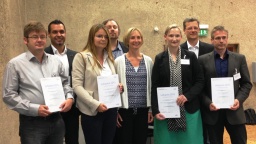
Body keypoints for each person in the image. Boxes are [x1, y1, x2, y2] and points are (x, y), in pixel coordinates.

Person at [2, 21, 74, 144]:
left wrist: (69, 98)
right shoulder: (15, 65)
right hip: (32, 124)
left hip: (56, 120)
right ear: (25, 40)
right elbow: (9, 96)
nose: (39, 40)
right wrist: (35, 109)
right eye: (35, 37)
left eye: (42, 36)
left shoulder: (56, 61)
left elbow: (65, 84)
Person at [198, 25, 252, 144]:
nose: (221, 40)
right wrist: (208, 103)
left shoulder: (239, 58)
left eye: (224, 37)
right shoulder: (202, 60)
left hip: (235, 112)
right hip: (212, 113)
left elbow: (246, 84)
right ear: (212, 40)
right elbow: (199, 87)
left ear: (227, 39)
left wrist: (239, 100)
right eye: (217, 38)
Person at [151, 24, 204, 144]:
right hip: (166, 110)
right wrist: (155, 110)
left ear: (181, 37)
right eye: (171, 36)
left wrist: (187, 96)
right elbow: (155, 86)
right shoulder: (160, 58)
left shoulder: (190, 56)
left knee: (190, 141)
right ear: (165, 37)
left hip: (189, 109)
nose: (174, 39)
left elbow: (200, 81)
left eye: (177, 36)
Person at [72, 24, 123, 144]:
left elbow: (112, 80)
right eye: (99, 36)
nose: (103, 39)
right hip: (92, 111)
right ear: (92, 37)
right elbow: (77, 86)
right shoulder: (81, 57)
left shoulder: (109, 57)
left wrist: (119, 86)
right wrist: (95, 104)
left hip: (110, 110)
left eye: (105, 37)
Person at [114, 27, 154, 144]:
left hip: (143, 111)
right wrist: (116, 111)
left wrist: (151, 109)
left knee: (140, 141)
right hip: (124, 111)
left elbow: (151, 86)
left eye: (138, 37)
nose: (136, 40)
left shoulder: (148, 61)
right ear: (127, 40)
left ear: (141, 40)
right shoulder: (119, 61)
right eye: (132, 38)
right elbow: (114, 87)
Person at [44, 19, 80, 144]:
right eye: (54, 32)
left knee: (72, 139)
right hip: (50, 108)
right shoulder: (43, 54)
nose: (59, 35)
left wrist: (72, 99)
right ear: (49, 34)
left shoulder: (75, 56)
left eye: (61, 31)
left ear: (65, 33)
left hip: (71, 107)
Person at [180, 17, 213, 144]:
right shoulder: (179, 49)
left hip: (207, 98)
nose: (193, 30)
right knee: (191, 134)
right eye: (189, 28)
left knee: (208, 133)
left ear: (199, 29)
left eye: (195, 28)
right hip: (189, 99)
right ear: (184, 31)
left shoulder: (210, 49)